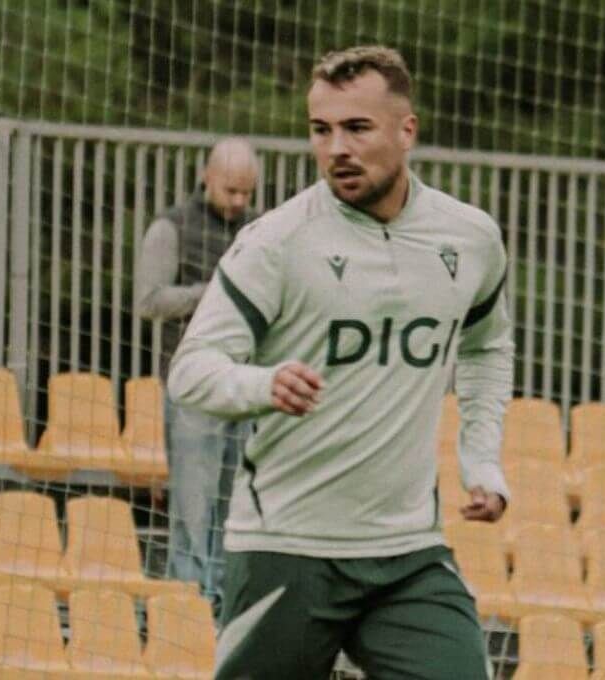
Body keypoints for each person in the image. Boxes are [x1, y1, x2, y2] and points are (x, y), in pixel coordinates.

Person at [167, 45, 513, 679]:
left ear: (407, 130)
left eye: (357, 128)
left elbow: (487, 347)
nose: (336, 149)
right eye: (320, 130)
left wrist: (481, 459)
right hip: (286, 548)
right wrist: (262, 382)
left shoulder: (470, 238)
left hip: (407, 552)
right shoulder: (276, 240)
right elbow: (192, 369)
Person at [135, 137, 261, 616]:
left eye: (247, 193)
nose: (238, 202)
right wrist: (211, 294)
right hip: (191, 389)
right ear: (207, 177)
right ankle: (185, 608)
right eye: (231, 191)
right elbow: (149, 301)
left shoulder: (257, 229)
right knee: (193, 505)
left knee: (234, 506)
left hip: (246, 389)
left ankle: (227, 607)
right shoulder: (170, 227)